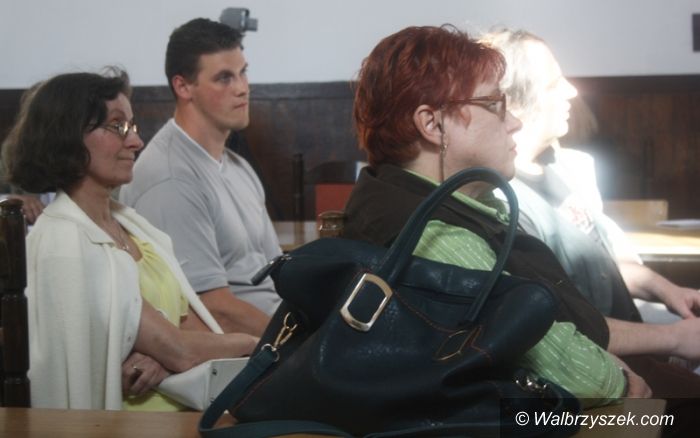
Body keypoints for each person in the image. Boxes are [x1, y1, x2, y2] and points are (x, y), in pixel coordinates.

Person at [342, 24, 650, 409]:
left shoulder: (427, 201)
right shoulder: (434, 234)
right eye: (494, 104)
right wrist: (617, 375)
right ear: (433, 124)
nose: (514, 122)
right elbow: (592, 382)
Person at [2, 69, 258, 411]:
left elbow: (196, 337)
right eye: (117, 126)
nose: (136, 141)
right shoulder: (65, 242)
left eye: (132, 125)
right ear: (68, 136)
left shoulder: (135, 228)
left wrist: (164, 358)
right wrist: (260, 345)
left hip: (192, 407)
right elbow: (181, 350)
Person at [480, 30, 700, 328]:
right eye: (554, 84)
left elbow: (605, 265)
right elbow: (562, 327)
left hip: (632, 323)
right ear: (513, 104)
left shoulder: (565, 167)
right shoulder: (502, 199)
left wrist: (670, 291)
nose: (572, 91)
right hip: (600, 346)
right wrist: (675, 338)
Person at [120, 18, 280, 336]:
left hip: (276, 331)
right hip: (241, 351)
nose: (242, 88)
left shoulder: (237, 165)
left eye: (243, 72)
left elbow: (279, 273)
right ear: (183, 87)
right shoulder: (171, 179)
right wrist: (303, 341)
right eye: (224, 78)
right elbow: (212, 310)